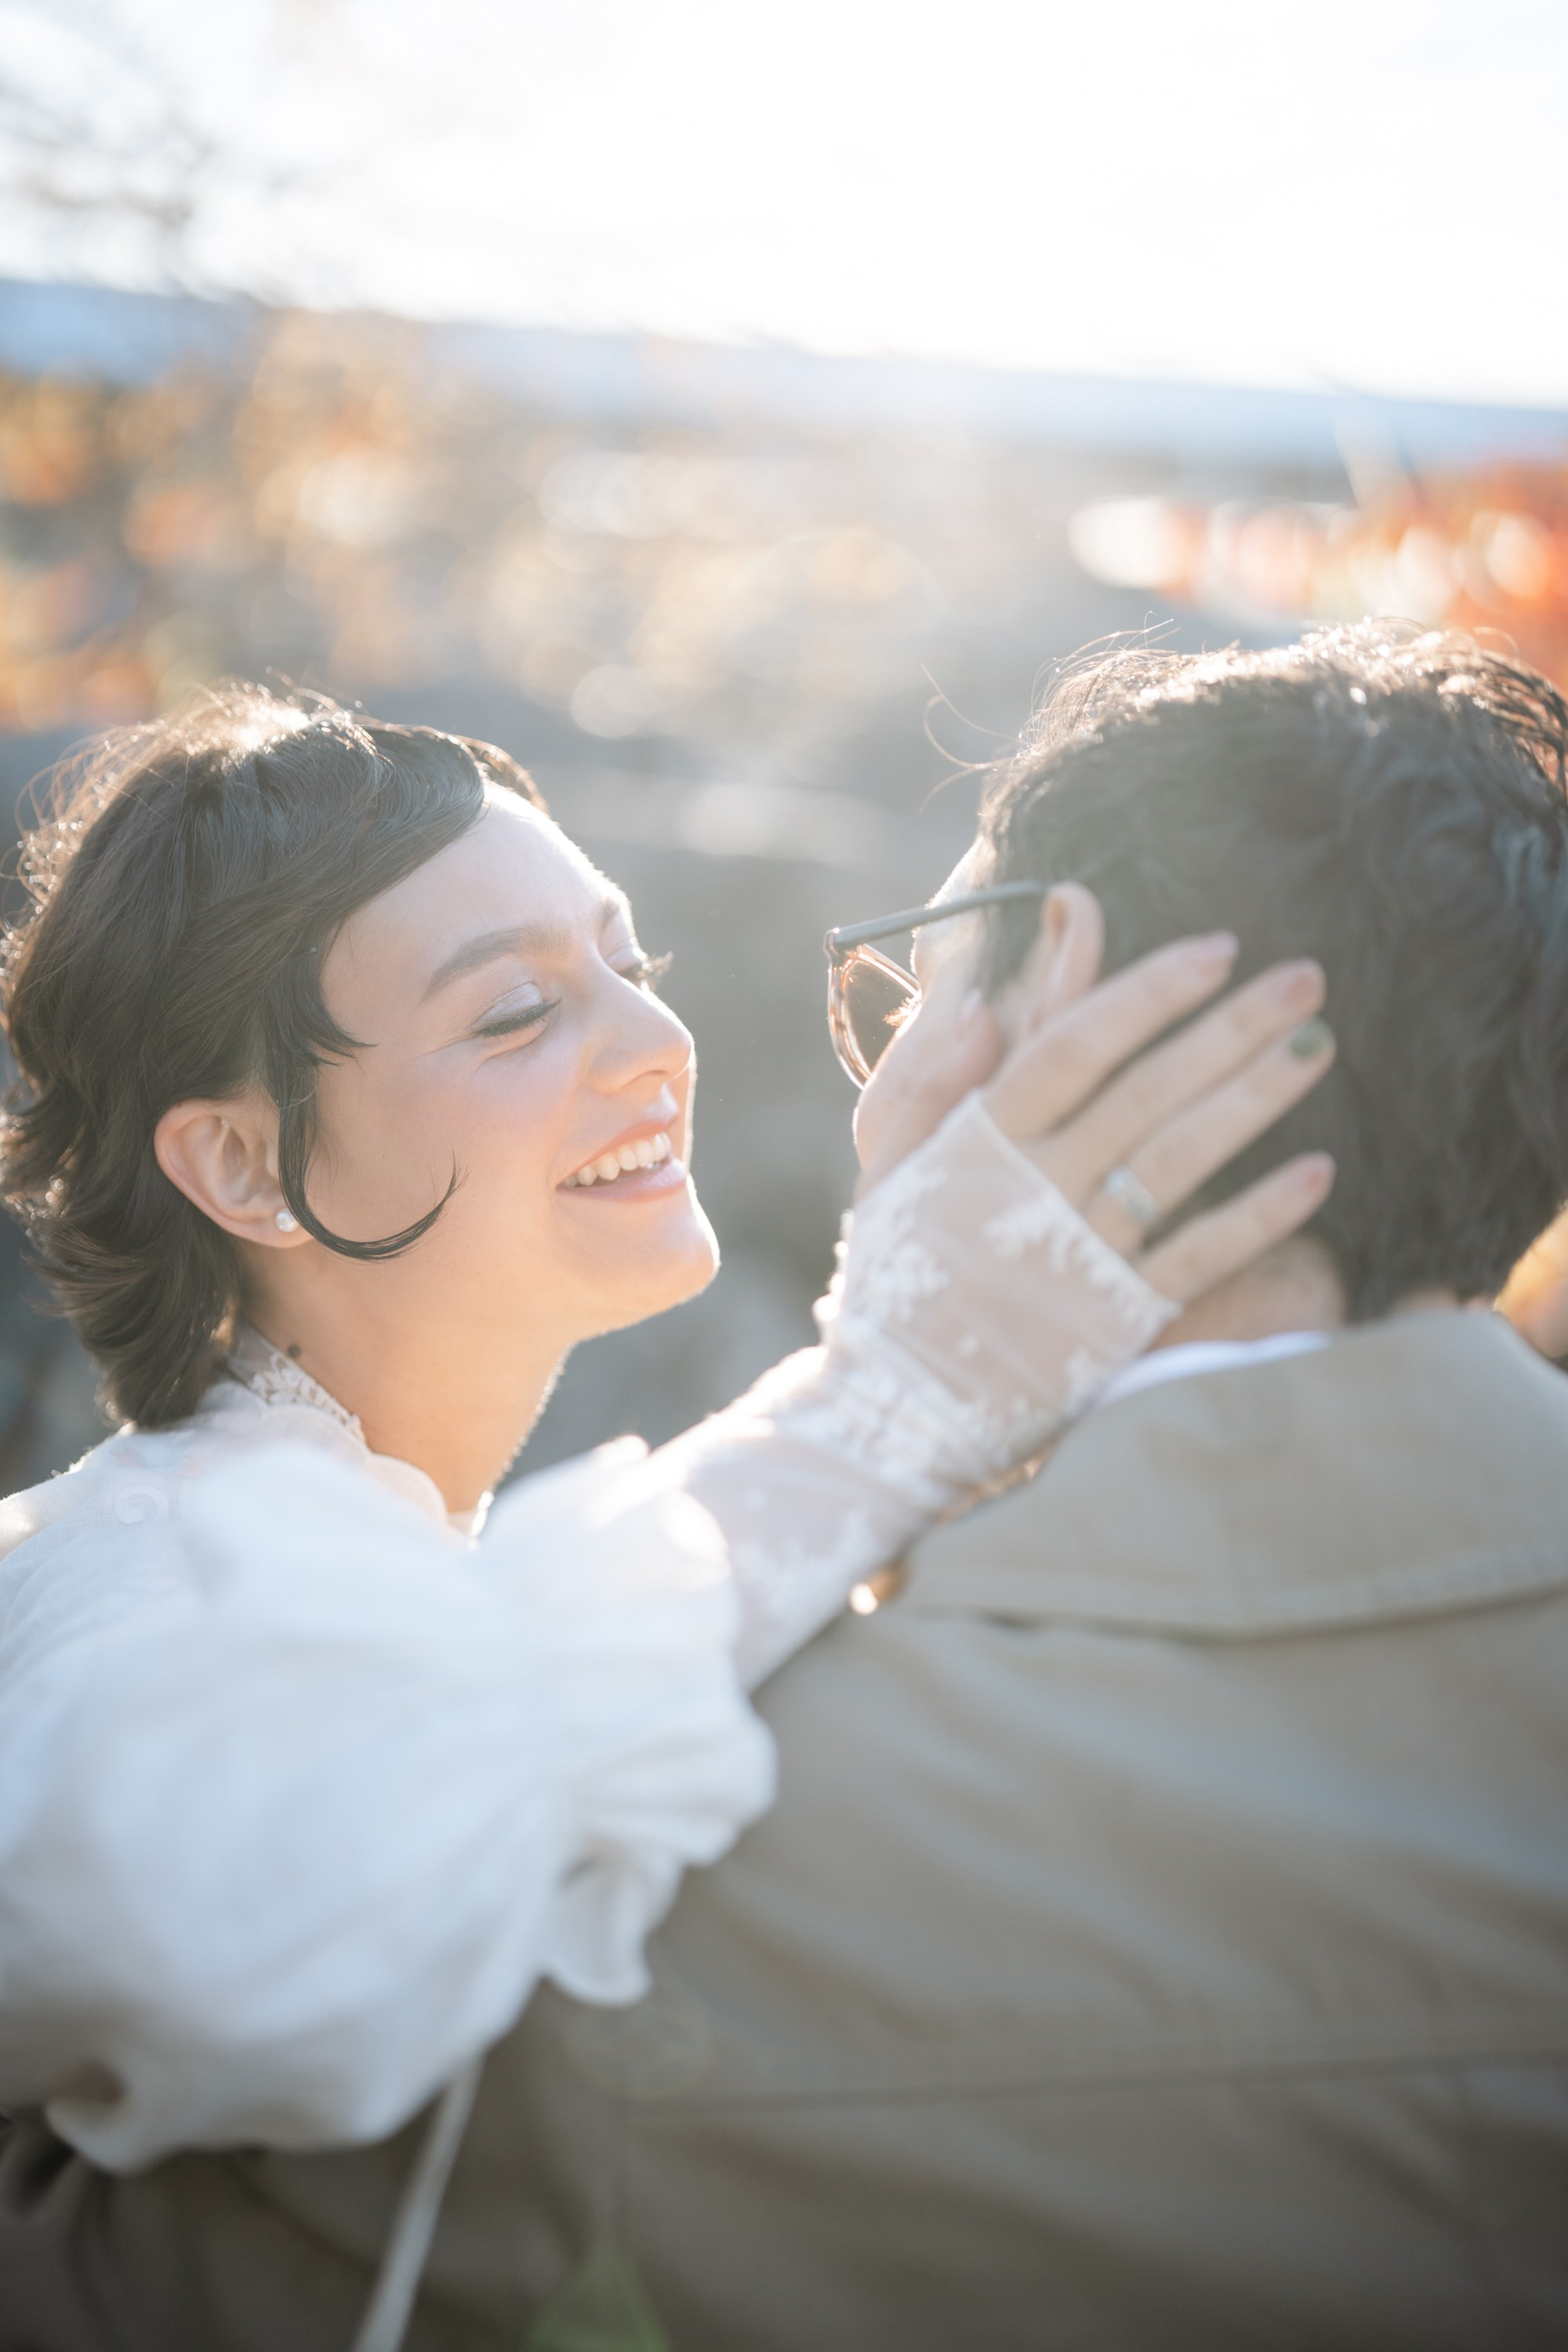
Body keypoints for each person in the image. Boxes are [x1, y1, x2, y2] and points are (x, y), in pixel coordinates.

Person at [107, 619, 1568, 2352]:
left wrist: (890, 1386)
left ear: (1058, 1033)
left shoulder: (655, 1883)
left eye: (919, 975)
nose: (663, 1044)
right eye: (518, 1006)